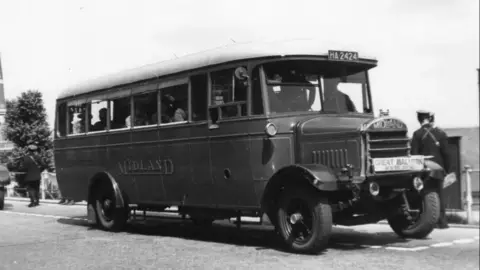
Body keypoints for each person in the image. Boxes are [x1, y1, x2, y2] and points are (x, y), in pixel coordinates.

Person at [410, 110, 453, 229]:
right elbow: (447, 154)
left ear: (419, 119)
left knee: (422, 196)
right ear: (430, 119)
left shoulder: (417, 134)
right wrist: (446, 170)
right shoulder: (441, 134)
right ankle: (442, 222)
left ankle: (424, 221)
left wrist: (416, 174)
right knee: (439, 195)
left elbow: (414, 155)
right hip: (438, 170)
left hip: (424, 171)